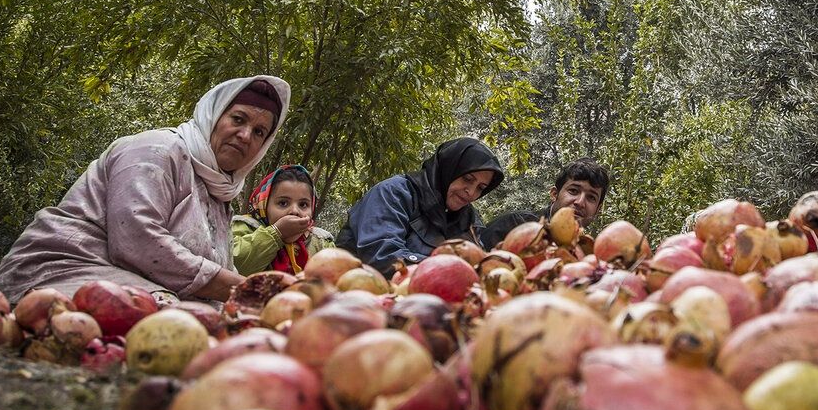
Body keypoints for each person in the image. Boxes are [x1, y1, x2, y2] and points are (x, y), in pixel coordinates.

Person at [0, 76, 291, 303]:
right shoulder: (158, 149)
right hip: (61, 271)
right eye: (238, 119)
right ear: (213, 116)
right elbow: (137, 240)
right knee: (182, 326)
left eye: (259, 132)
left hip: (136, 287)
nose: (244, 135)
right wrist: (250, 292)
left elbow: (218, 271)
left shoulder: (220, 197)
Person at [336, 137, 504, 274]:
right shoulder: (394, 193)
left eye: (481, 188)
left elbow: (479, 264)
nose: (471, 193)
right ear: (448, 169)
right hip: (358, 298)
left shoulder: (468, 218)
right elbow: (381, 256)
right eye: (467, 179)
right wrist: (451, 272)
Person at [479, 158, 610, 251]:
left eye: (591, 197)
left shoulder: (588, 252)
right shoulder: (512, 225)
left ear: (597, 210)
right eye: (573, 191)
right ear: (554, 194)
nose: (580, 202)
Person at [231, 164, 334, 275]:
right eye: (283, 203)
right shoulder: (245, 227)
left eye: (303, 204)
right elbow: (233, 265)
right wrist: (276, 232)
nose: (295, 211)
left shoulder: (321, 241)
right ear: (264, 206)